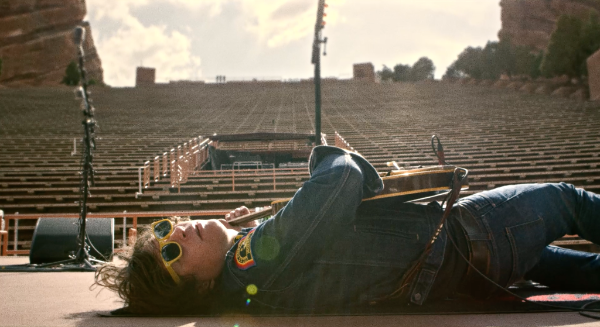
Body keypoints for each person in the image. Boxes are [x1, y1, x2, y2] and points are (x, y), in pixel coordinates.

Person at [95, 145, 600, 315]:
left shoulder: (248, 276)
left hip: (465, 266)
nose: (177, 232)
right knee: (568, 200)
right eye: (170, 253)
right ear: (197, 289)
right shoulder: (254, 261)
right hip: (476, 236)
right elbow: (342, 181)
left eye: (165, 229)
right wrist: (327, 152)